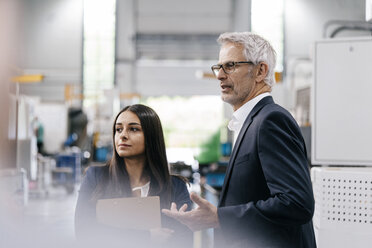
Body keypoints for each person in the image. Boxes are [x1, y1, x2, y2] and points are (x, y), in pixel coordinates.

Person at [162, 32, 316, 248]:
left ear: (260, 71)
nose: (220, 75)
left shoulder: (271, 120)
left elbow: (297, 203)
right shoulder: (251, 122)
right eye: (219, 67)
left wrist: (220, 217)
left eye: (231, 65)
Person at [75, 104, 192, 248]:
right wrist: (146, 236)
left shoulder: (176, 187)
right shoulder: (95, 178)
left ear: (152, 137)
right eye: (118, 129)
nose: (123, 135)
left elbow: (183, 240)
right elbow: (84, 232)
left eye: (133, 129)